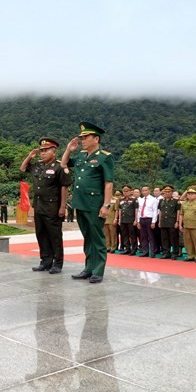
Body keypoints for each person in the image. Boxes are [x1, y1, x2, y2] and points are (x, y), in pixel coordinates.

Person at [61, 121, 115, 284]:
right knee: (87, 237)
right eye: (81, 137)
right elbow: (63, 164)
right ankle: (88, 268)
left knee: (97, 238)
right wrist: (68, 150)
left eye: (86, 137)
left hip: (94, 204)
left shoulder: (105, 157)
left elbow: (108, 183)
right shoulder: (81, 156)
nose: (82, 140)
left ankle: (98, 270)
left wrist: (106, 205)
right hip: (80, 203)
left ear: (96, 139)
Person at [20, 138, 72, 274]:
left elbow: (64, 187)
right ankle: (45, 261)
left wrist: (62, 207)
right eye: (41, 151)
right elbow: (23, 168)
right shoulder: (38, 165)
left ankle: (57, 263)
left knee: (54, 236)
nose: (42, 153)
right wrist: (29, 156)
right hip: (39, 206)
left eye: (46, 150)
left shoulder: (59, 167)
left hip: (53, 207)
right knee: (41, 234)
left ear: (54, 152)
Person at [178, 187, 196, 262]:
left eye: (192, 194)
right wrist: (180, 224)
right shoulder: (184, 203)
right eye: (189, 194)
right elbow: (181, 214)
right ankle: (190, 255)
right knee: (188, 241)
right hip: (186, 225)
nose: (190, 195)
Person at [158, 185, 181, 259]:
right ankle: (166, 252)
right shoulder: (161, 201)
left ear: (172, 192)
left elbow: (178, 212)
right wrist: (159, 221)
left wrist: (177, 221)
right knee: (164, 238)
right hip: (164, 221)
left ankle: (175, 252)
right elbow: (160, 211)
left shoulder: (175, 201)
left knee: (173, 238)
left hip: (172, 221)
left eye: (169, 192)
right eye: (165, 192)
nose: (167, 193)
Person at [136, 185, 159, 258]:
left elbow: (155, 211)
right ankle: (145, 251)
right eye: (143, 190)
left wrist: (153, 222)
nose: (144, 192)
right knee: (143, 236)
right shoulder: (141, 200)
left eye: (146, 190)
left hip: (149, 219)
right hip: (142, 219)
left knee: (151, 236)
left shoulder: (153, 199)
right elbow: (139, 211)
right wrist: (138, 221)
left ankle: (153, 251)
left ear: (149, 191)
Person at [118, 185, 139, 255]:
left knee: (132, 235)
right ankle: (127, 248)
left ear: (130, 191)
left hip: (131, 220)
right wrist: (119, 219)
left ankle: (134, 249)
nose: (125, 192)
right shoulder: (121, 199)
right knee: (124, 235)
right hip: (123, 220)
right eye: (124, 191)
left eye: (127, 191)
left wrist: (136, 220)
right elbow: (120, 210)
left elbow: (136, 210)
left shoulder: (134, 199)